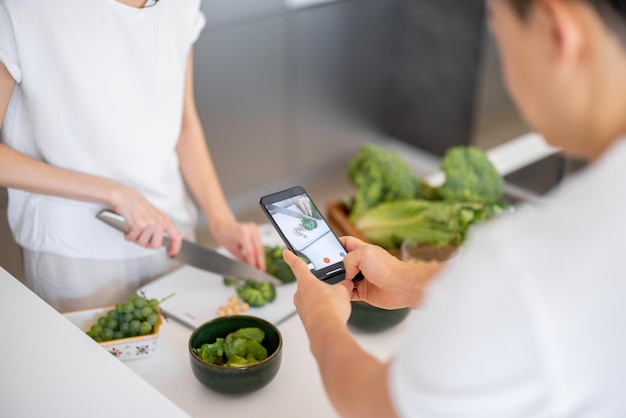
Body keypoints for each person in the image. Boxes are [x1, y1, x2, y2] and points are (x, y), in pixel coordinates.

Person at [283, 0, 626, 416]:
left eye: (500, 35)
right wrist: (407, 279)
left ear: (556, 32)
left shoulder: (522, 261)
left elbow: (374, 406)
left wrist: (322, 319)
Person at [0, 0, 265, 312]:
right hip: (75, 256)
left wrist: (222, 220)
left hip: (171, 239)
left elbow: (184, 123)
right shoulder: (25, 7)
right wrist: (114, 192)